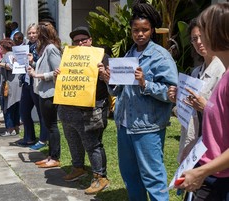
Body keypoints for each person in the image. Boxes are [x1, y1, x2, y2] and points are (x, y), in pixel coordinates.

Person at [99, 1, 178, 200]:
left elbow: (171, 93)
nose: (140, 34)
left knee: (152, 177)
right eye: (136, 30)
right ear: (131, 31)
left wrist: (145, 83)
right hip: (125, 125)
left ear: (152, 30)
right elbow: (120, 90)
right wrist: (109, 80)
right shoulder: (128, 54)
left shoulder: (160, 56)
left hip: (147, 127)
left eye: (144, 30)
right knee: (130, 175)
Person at [177, 3, 229, 199]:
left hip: (220, 180)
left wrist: (200, 172)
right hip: (209, 172)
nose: (198, 39)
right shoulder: (225, 75)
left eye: (203, 31)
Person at [54, 26, 110, 195]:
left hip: (91, 109)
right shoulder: (68, 57)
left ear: (90, 40)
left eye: (83, 40)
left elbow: (112, 80)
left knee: (92, 144)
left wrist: (104, 73)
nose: (79, 43)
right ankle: (78, 168)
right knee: (72, 140)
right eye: (76, 41)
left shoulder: (102, 56)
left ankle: (100, 176)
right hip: (69, 108)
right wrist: (59, 75)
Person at [168, 18, 225, 163]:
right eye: (194, 39)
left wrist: (206, 107)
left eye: (202, 36)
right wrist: (178, 99)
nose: (199, 42)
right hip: (194, 142)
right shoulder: (195, 73)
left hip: (215, 147)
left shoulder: (224, 71)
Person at [28, 22, 61, 168]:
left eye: (37, 33)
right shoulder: (46, 48)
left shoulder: (52, 48)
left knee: (52, 125)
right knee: (48, 125)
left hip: (50, 93)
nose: (34, 35)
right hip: (43, 91)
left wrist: (37, 75)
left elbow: (58, 72)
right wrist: (33, 65)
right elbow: (45, 67)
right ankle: (50, 155)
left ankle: (55, 157)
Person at [17, 24, 49, 149]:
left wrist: (32, 62)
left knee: (41, 113)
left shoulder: (42, 47)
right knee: (24, 111)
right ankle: (29, 137)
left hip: (36, 82)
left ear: (39, 33)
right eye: (29, 33)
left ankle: (43, 139)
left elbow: (43, 66)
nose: (31, 35)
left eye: (34, 33)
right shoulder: (27, 46)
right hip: (26, 82)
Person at [0, 39, 22, 136]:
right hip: (14, 84)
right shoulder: (12, 54)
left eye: (0, 47)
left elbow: (11, 66)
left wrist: (0, 64)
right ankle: (15, 127)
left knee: (8, 106)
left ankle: (10, 129)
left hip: (10, 85)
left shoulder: (9, 55)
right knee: (15, 107)